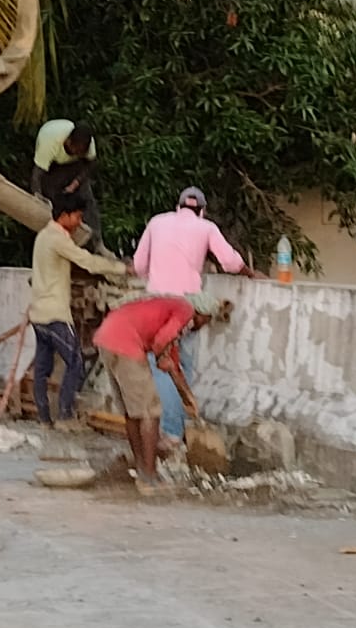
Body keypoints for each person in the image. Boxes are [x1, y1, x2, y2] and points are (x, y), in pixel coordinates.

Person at [133, 186, 262, 451]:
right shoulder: (206, 228)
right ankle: (174, 431)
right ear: (202, 211)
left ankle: (170, 431)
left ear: (178, 207)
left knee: (160, 366)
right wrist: (251, 273)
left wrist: (156, 278)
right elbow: (230, 262)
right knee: (182, 365)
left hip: (155, 305)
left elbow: (138, 266)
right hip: (186, 307)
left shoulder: (156, 222)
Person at [93, 293, 220, 496]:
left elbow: (172, 364)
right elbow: (161, 343)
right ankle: (149, 477)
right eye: (207, 321)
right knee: (151, 412)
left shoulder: (171, 312)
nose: (204, 326)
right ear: (202, 314)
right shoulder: (184, 310)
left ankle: (142, 469)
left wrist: (188, 397)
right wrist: (161, 357)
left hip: (107, 339)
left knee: (132, 412)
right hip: (126, 343)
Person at [29, 192, 128, 430]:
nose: (79, 222)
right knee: (75, 362)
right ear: (64, 216)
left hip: (38, 314)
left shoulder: (43, 236)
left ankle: (44, 418)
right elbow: (87, 262)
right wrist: (122, 269)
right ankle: (65, 417)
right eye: (77, 217)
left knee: (41, 368)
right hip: (55, 314)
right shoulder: (59, 240)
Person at [30, 119, 109, 256]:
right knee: (54, 204)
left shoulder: (88, 145)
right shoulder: (50, 143)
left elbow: (91, 164)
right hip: (52, 167)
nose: (78, 153)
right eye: (76, 151)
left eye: (81, 152)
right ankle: (57, 244)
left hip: (76, 167)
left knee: (87, 200)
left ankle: (97, 243)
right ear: (68, 142)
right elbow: (37, 175)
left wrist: (76, 183)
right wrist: (38, 197)